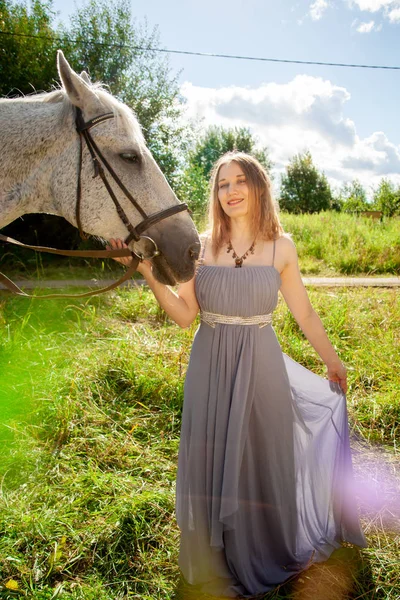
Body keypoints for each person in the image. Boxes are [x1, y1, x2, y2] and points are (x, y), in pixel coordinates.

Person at [108, 151, 366, 599]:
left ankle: (267, 546)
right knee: (212, 452)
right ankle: (217, 556)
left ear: (258, 186)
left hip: (262, 363)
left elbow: (303, 311)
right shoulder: (200, 247)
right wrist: (148, 273)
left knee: (263, 454)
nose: (230, 191)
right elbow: (185, 314)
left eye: (239, 181)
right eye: (222, 184)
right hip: (210, 363)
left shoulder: (280, 247)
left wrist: (332, 360)